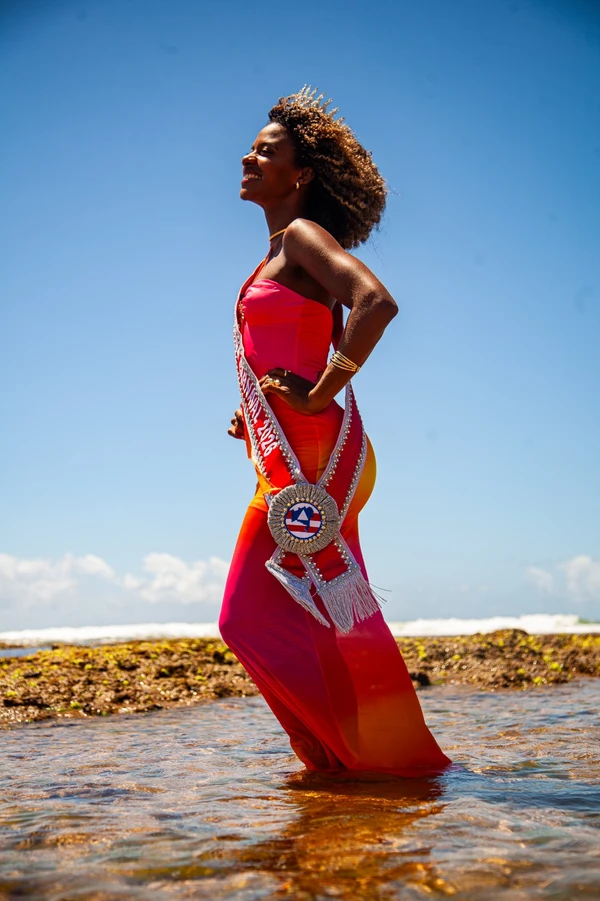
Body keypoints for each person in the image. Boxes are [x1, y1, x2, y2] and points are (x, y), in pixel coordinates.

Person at [219, 86, 450, 776]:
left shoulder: (301, 237)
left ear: (303, 175)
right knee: (319, 613)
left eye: (267, 150)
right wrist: (258, 413)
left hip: (318, 458)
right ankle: (347, 760)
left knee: (246, 618)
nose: (248, 156)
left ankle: (367, 757)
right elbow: (283, 351)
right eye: (254, 147)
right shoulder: (273, 255)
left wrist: (320, 391)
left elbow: (375, 302)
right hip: (290, 450)